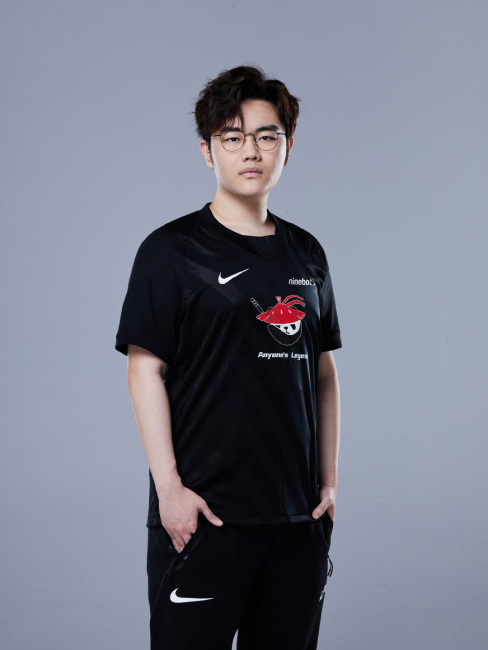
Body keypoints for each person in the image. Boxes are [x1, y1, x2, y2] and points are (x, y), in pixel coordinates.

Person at [115, 64, 342, 650]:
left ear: (287, 148)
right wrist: (170, 490)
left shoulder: (308, 253)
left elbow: (323, 373)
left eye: (267, 136)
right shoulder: (171, 251)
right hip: (203, 515)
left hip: (297, 520)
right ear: (207, 150)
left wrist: (328, 482)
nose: (251, 151)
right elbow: (144, 370)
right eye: (233, 137)